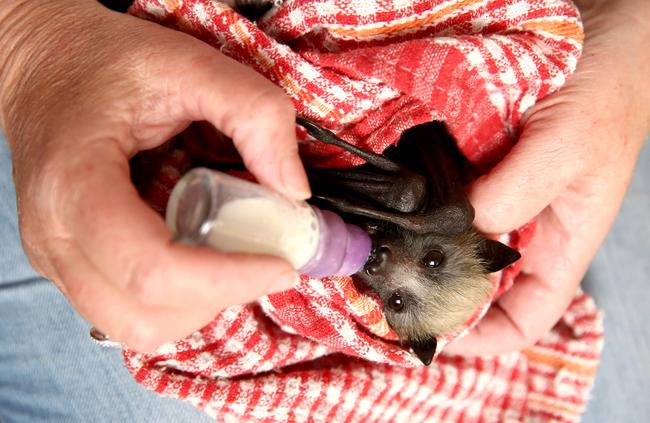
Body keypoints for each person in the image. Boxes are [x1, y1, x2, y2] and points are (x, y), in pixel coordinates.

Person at [0, 0, 647, 421]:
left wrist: (632, 24)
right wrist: (27, 33)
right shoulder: (428, 206)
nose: (393, 271)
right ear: (477, 243)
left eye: (396, 301)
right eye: (426, 261)